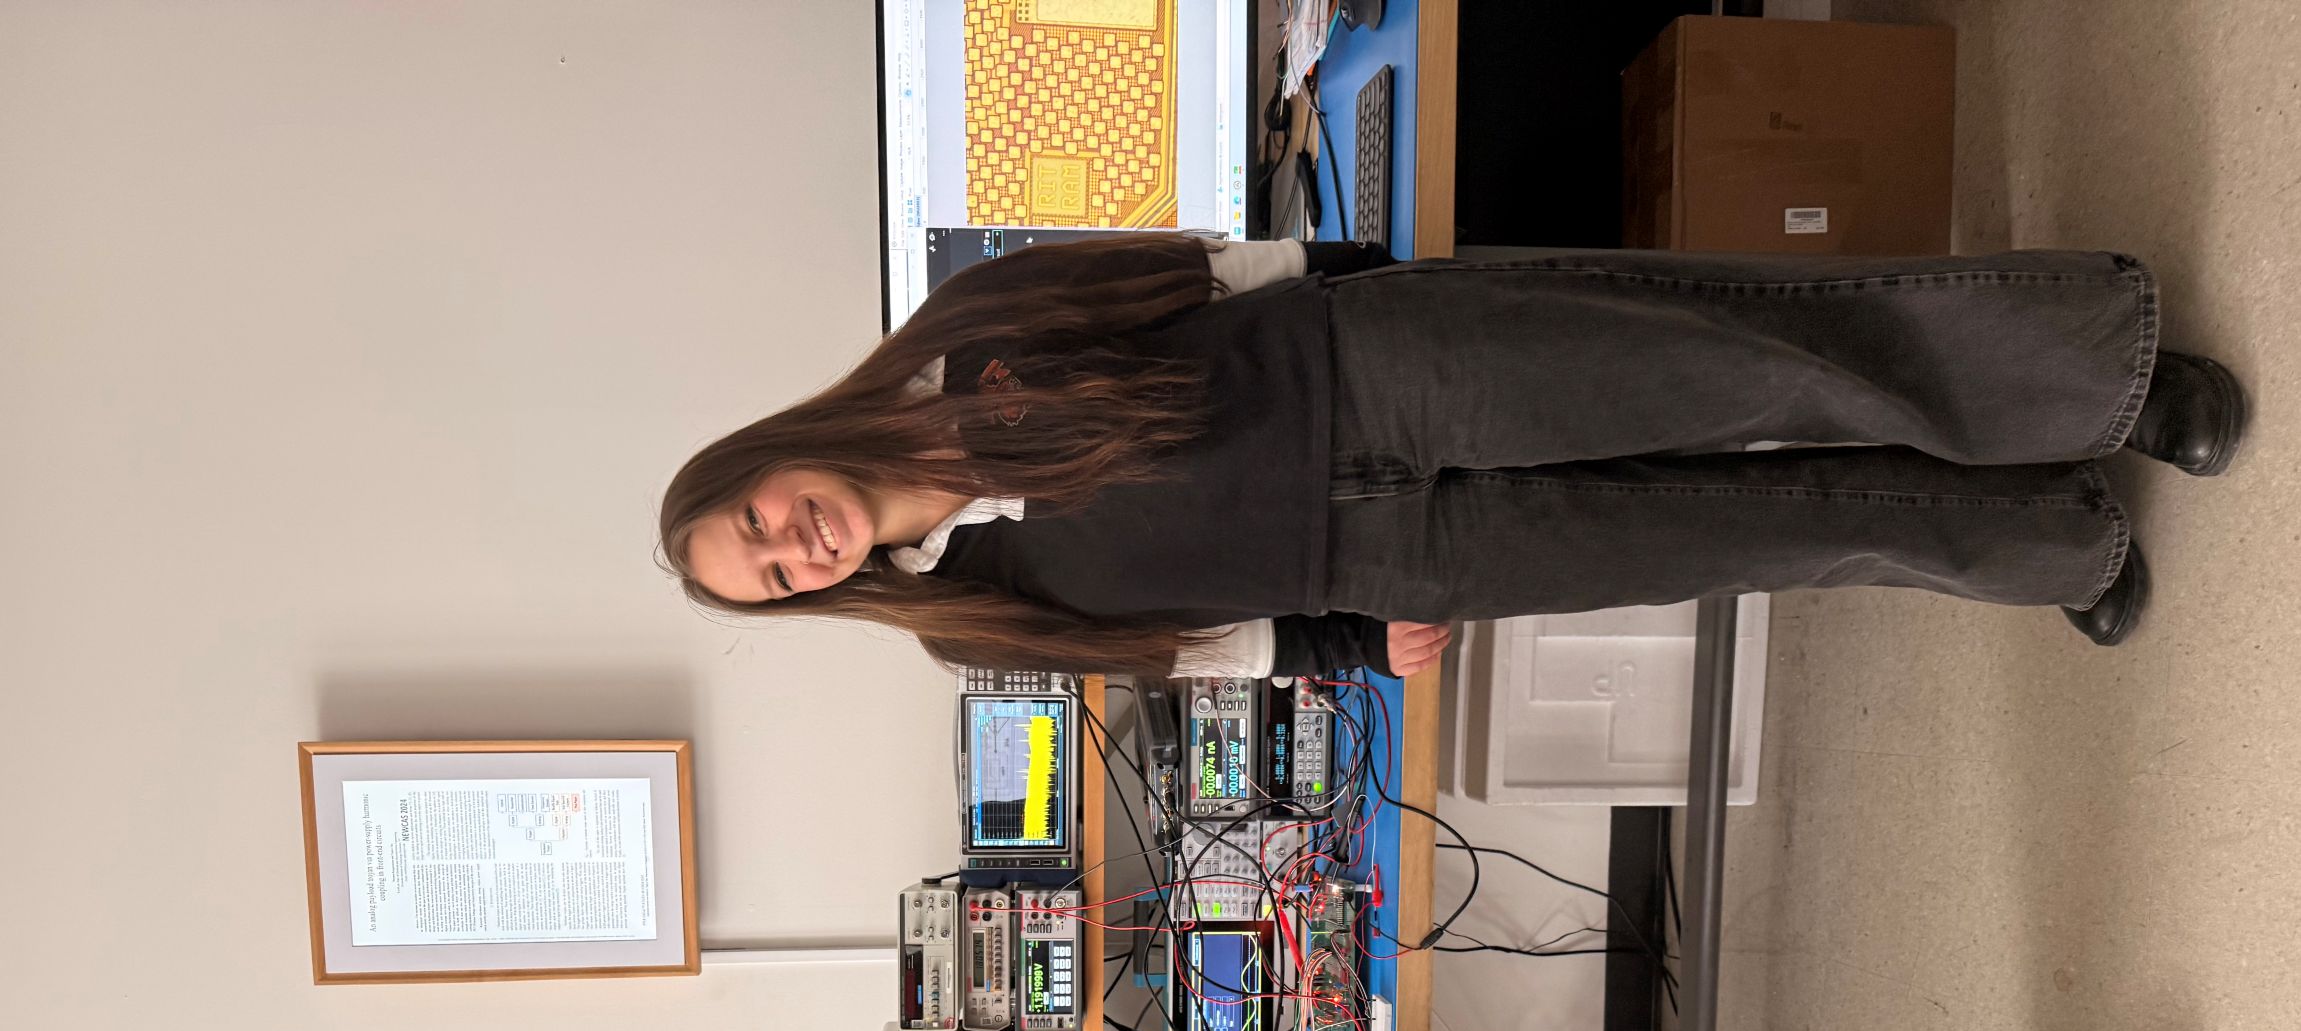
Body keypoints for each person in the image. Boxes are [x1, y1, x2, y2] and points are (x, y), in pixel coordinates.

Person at [654, 235, 2248, 679]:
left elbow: (1214, 273)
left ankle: (2106, 385)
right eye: (771, 574)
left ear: (768, 453)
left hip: (1386, 369)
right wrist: (1356, 642)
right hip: (1388, 561)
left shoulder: (968, 326)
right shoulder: (965, 622)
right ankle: (2064, 542)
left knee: (1764, 364)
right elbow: (1192, 650)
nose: (790, 543)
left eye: (753, 516)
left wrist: (1393, 286)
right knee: (1755, 531)